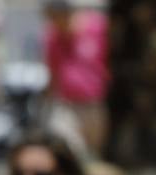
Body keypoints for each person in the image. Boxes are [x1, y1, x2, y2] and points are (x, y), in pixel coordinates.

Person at [41, 0, 109, 154]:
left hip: (94, 105)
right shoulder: (52, 38)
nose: (54, 22)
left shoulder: (97, 27)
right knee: (70, 149)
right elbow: (53, 73)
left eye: (56, 17)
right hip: (67, 106)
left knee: (93, 154)